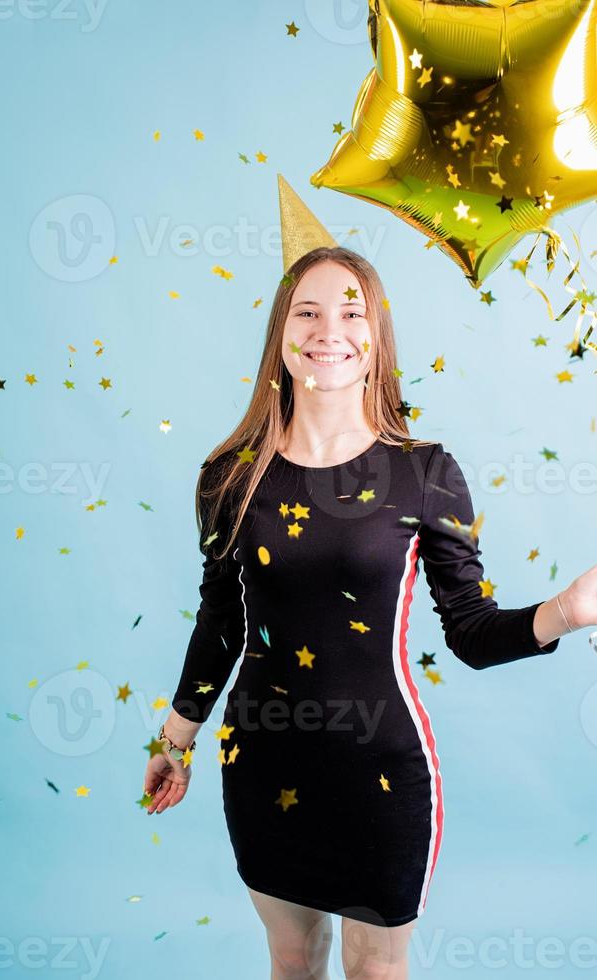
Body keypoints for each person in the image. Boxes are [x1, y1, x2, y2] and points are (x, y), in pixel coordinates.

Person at [143, 178, 597, 980]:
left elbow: (472, 634)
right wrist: (173, 741)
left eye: (352, 311)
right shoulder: (229, 476)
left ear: (377, 334)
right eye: (308, 312)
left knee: (376, 970)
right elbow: (220, 619)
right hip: (261, 760)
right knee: (292, 961)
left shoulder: (424, 474)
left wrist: (567, 609)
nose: (330, 330)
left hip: (378, 767)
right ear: (280, 334)